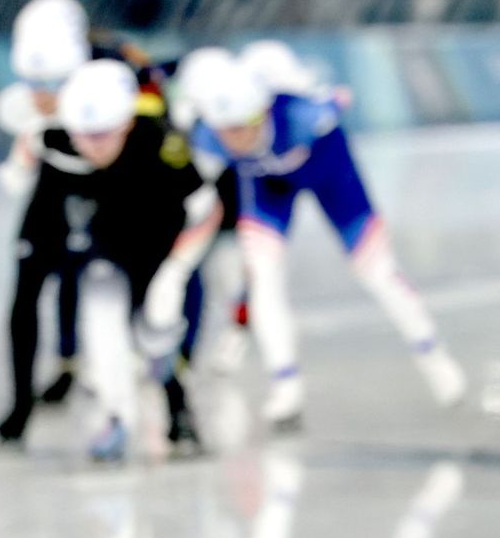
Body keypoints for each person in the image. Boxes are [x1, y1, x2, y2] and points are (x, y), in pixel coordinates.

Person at [184, 52, 466, 429]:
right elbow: (199, 194)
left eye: (241, 129)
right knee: (262, 279)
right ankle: (285, 386)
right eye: (224, 131)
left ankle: (435, 358)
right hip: (269, 191)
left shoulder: (306, 117)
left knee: (378, 273)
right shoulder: (209, 137)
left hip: (333, 178)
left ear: (262, 113)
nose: (233, 140)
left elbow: (337, 98)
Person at [0, 0, 205, 443]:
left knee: (149, 298)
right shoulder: (41, 97)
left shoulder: (127, 78)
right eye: (32, 82)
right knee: (35, 276)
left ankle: (175, 401)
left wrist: (177, 267)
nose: (42, 93)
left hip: (128, 186)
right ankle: (28, 400)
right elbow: (30, 126)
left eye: (52, 82)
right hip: (63, 177)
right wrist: (23, 154)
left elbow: (185, 186)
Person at [15, 59, 222, 460]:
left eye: (103, 137)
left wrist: (176, 272)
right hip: (108, 246)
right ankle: (115, 418)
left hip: (164, 249)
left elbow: (208, 209)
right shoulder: (59, 143)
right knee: (102, 328)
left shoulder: (161, 142)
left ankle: (178, 408)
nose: (93, 148)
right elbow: (31, 192)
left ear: (126, 123)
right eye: (84, 138)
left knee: (158, 334)